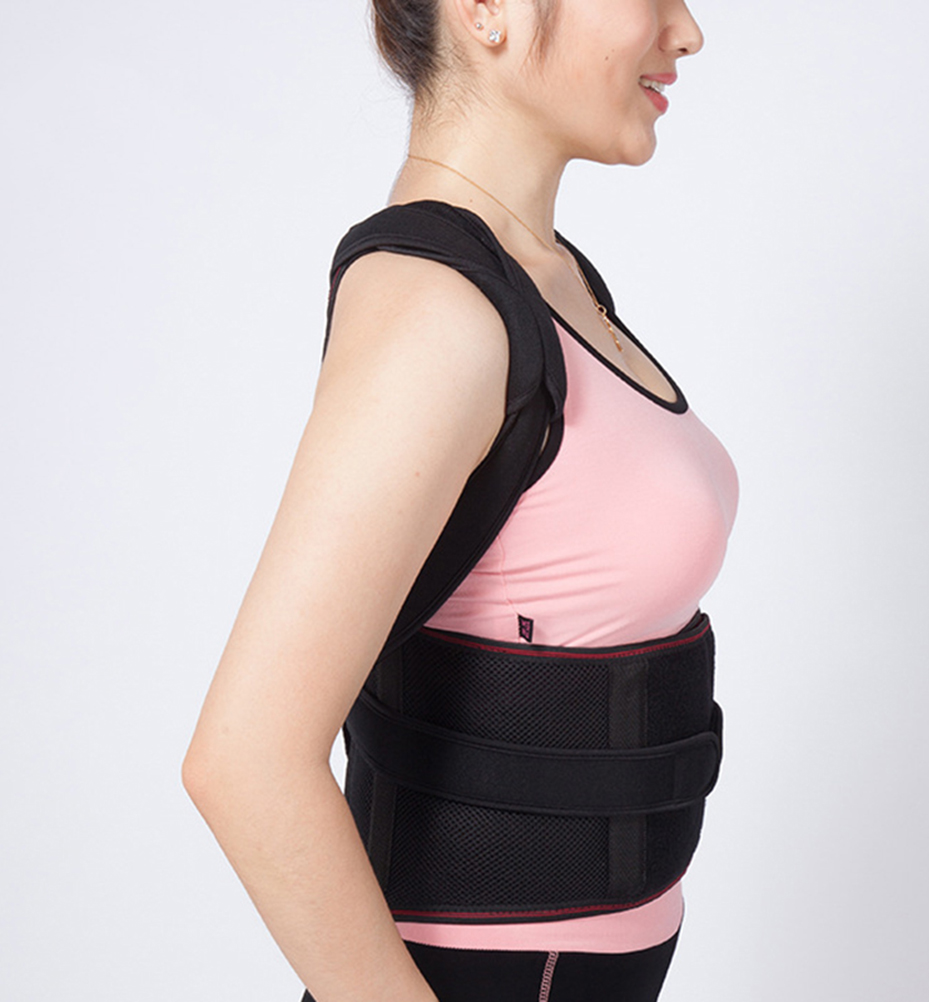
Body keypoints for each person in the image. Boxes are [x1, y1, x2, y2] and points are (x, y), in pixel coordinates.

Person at [182, 1, 738, 1000]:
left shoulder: (548, 284)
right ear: (485, 9)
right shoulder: (437, 307)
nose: (686, 29)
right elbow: (244, 759)